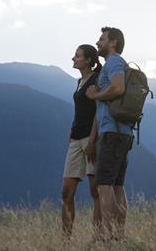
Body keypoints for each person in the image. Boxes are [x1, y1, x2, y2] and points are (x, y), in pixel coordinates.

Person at [85, 26, 134, 240]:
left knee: (103, 185)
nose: (97, 43)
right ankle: (119, 236)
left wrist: (94, 95)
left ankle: (108, 236)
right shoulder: (115, 63)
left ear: (113, 42)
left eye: (101, 39)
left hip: (112, 133)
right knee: (117, 186)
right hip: (122, 132)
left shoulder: (114, 61)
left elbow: (118, 88)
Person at [61, 44, 103, 238]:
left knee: (96, 192)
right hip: (76, 139)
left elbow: (98, 113)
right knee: (66, 194)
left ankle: (97, 238)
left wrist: (92, 142)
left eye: (77, 56)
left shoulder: (96, 80)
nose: (73, 58)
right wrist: (72, 129)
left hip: (90, 139)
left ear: (88, 60)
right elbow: (81, 110)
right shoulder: (79, 81)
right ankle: (66, 240)